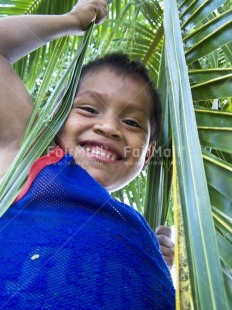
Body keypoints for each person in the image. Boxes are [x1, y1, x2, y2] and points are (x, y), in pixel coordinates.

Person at [0, 0, 175, 308]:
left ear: (147, 155)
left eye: (132, 122)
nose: (108, 127)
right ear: (56, 118)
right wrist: (73, 20)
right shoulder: (33, 161)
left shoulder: (136, 230)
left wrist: (153, 259)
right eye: (88, 109)